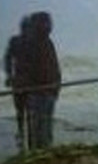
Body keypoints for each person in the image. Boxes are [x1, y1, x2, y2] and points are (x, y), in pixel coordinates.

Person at [25, 11, 61, 150]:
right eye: (45, 22)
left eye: (48, 22)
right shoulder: (32, 44)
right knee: (37, 129)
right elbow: (26, 69)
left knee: (45, 128)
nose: (49, 25)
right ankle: (39, 154)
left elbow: (54, 66)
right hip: (37, 93)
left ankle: (43, 153)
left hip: (47, 92)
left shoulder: (47, 43)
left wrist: (56, 87)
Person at [3, 16, 31, 151]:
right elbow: (7, 59)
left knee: (23, 110)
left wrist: (9, 75)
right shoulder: (19, 41)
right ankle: (22, 133)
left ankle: (23, 133)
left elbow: (7, 59)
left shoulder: (19, 41)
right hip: (24, 81)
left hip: (24, 81)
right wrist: (9, 75)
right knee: (22, 110)